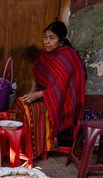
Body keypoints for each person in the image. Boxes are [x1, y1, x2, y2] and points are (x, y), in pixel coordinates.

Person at [14, 21, 86, 159]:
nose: (47, 42)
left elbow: (60, 88)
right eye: (45, 37)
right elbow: (37, 72)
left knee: (34, 112)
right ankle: (31, 147)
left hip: (65, 99)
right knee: (22, 106)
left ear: (61, 40)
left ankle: (42, 146)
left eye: (51, 38)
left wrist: (36, 95)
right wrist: (32, 91)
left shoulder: (67, 56)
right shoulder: (45, 54)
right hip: (49, 95)